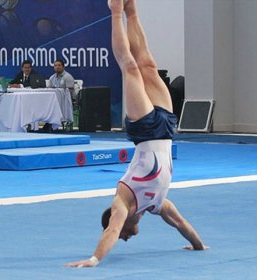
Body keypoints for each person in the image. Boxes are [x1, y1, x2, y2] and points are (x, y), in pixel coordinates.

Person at [66, 0, 208, 268]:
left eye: (122, 236)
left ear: (118, 225)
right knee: (148, 65)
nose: (127, 238)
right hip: (166, 128)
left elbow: (109, 232)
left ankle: (117, 10)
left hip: (144, 130)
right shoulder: (157, 205)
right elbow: (181, 223)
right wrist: (198, 245)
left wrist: (94, 259)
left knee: (130, 66)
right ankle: (132, 9)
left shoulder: (122, 201)